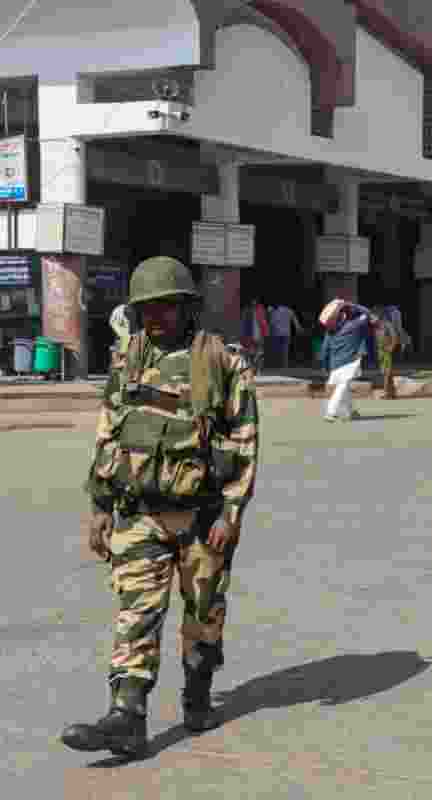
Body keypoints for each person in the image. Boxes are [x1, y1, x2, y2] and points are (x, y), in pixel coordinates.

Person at [61, 256, 259, 758]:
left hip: (202, 516)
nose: (155, 316)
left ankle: (197, 698)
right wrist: (101, 503)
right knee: (135, 614)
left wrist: (232, 512)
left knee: (203, 614)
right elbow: (110, 431)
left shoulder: (222, 360)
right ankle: (126, 716)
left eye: (166, 306)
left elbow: (245, 439)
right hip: (139, 511)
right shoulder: (127, 358)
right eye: (147, 308)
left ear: (187, 306)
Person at [321, 300, 371, 422]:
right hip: (349, 361)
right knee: (342, 387)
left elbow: (324, 350)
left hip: (335, 364)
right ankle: (330, 412)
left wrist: (325, 366)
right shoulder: (354, 325)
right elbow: (367, 313)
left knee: (344, 387)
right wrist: (351, 304)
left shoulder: (330, 332)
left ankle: (351, 412)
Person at [267, 303, 303, 369]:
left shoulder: (275, 312)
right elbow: (294, 320)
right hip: (286, 333)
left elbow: (272, 323)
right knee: (285, 350)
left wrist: (269, 332)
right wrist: (298, 328)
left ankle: (277, 364)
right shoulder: (289, 310)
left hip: (277, 333)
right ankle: (284, 365)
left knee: (277, 349)